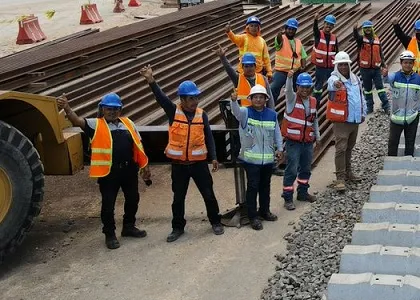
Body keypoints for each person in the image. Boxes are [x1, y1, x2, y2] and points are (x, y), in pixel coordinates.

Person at [140, 66, 224, 241]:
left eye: (196, 97)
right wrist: (151, 80)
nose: (195, 101)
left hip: (199, 164)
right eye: (191, 98)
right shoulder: (173, 112)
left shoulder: (202, 115)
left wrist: (214, 157)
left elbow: (208, 136)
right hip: (179, 166)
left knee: (208, 194)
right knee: (178, 199)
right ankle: (177, 228)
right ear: (182, 100)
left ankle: (216, 222)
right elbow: (161, 99)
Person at [57, 93, 150, 249]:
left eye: (115, 109)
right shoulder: (96, 124)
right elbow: (76, 121)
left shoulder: (128, 123)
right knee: (108, 205)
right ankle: (110, 234)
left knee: (133, 199)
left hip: (129, 170)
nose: (112, 112)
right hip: (108, 173)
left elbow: (138, 145)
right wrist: (67, 107)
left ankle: (128, 226)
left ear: (120, 110)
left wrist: (144, 165)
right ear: (102, 109)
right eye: (109, 109)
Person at [229, 84, 283, 231]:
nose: (258, 100)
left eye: (261, 97)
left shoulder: (272, 114)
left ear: (265, 99)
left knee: (265, 187)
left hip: (267, 160)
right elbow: (236, 113)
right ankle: (253, 216)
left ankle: (265, 211)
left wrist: (280, 148)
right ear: (251, 99)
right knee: (253, 187)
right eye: (256, 97)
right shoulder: (245, 112)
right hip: (251, 160)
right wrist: (233, 101)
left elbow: (277, 132)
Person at [280, 72, 320, 210]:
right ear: (297, 87)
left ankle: (302, 193)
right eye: (302, 87)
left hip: (307, 142)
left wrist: (318, 137)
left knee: (306, 168)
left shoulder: (313, 101)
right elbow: (288, 90)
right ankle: (287, 197)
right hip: (293, 142)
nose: (304, 89)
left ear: (310, 87)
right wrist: (289, 77)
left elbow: (314, 120)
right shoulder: (292, 99)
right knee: (291, 169)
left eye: (307, 87)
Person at [391, 18, 420, 136]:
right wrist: (396, 24)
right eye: (418, 30)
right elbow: (400, 35)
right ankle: (406, 125)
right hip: (411, 78)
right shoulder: (409, 41)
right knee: (408, 102)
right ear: (414, 30)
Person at [327, 51, 365, 191]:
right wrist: (336, 84)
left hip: (354, 120)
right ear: (337, 66)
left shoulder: (355, 78)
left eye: (345, 64)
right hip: (341, 121)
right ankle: (340, 178)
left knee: (349, 147)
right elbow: (331, 84)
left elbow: (361, 96)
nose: (343, 67)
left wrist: (363, 112)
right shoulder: (334, 78)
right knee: (341, 149)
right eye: (340, 65)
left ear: (349, 65)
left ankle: (348, 172)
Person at [385, 50, 420, 157]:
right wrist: (384, 75)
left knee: (410, 143)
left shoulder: (419, 79)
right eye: (405, 62)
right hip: (396, 117)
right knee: (392, 142)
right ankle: (392, 162)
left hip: (412, 117)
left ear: (413, 64)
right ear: (401, 63)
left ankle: (408, 160)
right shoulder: (395, 76)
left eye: (410, 62)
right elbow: (385, 80)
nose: (408, 65)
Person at [353, 20, 389, 114]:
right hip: (365, 69)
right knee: (367, 89)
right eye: (365, 28)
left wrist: (384, 64)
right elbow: (356, 37)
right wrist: (354, 29)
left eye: (369, 28)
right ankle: (369, 107)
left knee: (380, 87)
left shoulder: (377, 39)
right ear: (363, 30)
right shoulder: (361, 39)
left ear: (372, 28)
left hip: (376, 69)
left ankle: (386, 106)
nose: (368, 30)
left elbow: (380, 53)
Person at [271, 18, 308, 101]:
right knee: (274, 88)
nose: (291, 31)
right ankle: (271, 107)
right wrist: (279, 34)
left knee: (298, 91)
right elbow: (278, 41)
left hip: (295, 72)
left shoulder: (298, 41)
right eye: (289, 29)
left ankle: (296, 107)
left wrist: (303, 66)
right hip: (282, 71)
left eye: (293, 29)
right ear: (286, 29)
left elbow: (303, 56)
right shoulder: (281, 39)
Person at [226, 15, 272, 80]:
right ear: (248, 27)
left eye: (256, 26)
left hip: (258, 72)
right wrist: (229, 32)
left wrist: (269, 72)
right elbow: (234, 38)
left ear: (258, 28)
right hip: (243, 73)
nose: (254, 28)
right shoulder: (244, 38)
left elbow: (266, 58)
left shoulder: (262, 41)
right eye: (251, 26)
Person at [312, 13, 338, 97]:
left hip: (331, 67)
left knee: (332, 85)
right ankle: (316, 103)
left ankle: (332, 102)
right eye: (327, 24)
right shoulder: (318, 34)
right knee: (318, 87)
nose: (329, 26)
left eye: (331, 25)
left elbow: (336, 51)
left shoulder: (334, 37)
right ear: (324, 24)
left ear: (333, 26)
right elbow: (315, 29)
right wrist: (315, 20)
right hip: (320, 66)